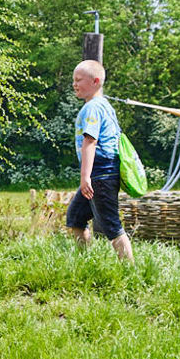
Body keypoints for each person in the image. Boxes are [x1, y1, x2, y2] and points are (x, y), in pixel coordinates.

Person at [67, 59, 134, 262]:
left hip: (100, 174)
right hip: (102, 173)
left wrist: (85, 177)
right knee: (76, 217)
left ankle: (130, 270)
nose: (74, 84)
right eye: (73, 80)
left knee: (111, 225)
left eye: (79, 80)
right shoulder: (104, 106)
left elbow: (90, 141)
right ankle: (85, 262)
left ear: (95, 81)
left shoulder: (93, 108)